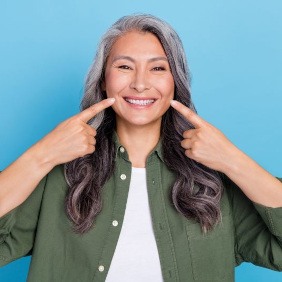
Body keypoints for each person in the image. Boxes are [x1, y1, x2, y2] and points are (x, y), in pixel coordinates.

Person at [0, 14, 281, 282]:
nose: (140, 83)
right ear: (103, 80)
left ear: (176, 82)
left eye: (158, 68)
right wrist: (42, 154)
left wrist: (234, 161)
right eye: (124, 66)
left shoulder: (212, 185)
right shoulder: (60, 178)